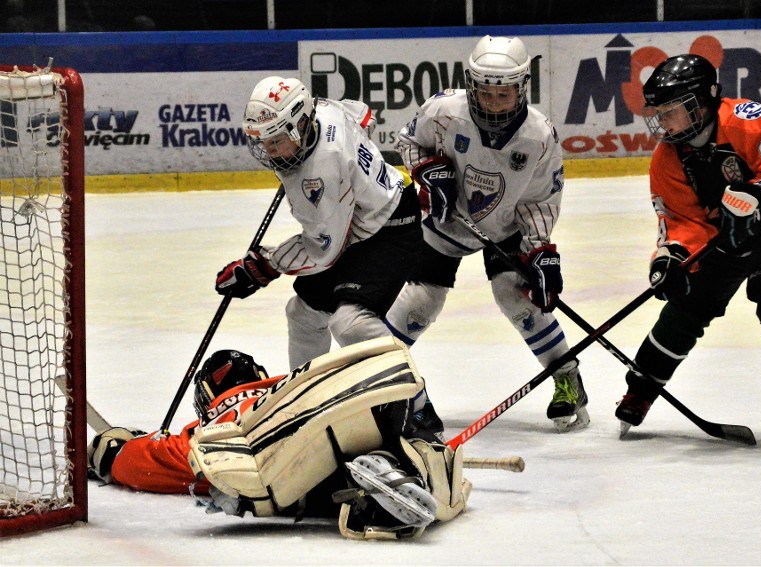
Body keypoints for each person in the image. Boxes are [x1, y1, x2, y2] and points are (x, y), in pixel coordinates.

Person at [616, 53, 761, 458]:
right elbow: (681, 222)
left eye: (673, 110)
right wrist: (672, 259)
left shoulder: (745, 119)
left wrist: (758, 195)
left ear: (703, 101)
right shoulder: (668, 159)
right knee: (687, 303)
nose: (663, 121)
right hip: (727, 231)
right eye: (660, 111)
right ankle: (641, 389)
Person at [384, 35, 588, 433]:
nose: (494, 103)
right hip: (446, 222)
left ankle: (566, 376)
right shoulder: (444, 111)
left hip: (506, 226)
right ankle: (378, 380)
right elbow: (408, 142)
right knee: (420, 301)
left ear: (522, 88)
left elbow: (541, 200)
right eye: (486, 93)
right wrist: (426, 168)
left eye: (504, 94)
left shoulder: (539, 136)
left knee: (516, 295)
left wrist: (539, 252)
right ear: (471, 84)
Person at [87, 338, 471, 540]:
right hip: (343, 415)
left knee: (275, 485)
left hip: (282, 471)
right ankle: (403, 465)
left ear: (206, 397)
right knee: (413, 453)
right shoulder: (280, 389)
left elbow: (139, 462)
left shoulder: (209, 425)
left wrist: (111, 450)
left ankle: (365, 493)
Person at [214, 77, 422, 390]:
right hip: (358, 224)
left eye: (277, 140)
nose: (270, 152)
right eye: (265, 142)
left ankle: (415, 404)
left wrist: (263, 266)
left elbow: (324, 250)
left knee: (351, 324)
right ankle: (304, 398)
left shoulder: (320, 172)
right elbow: (360, 112)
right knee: (303, 315)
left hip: (390, 227)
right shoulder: (321, 111)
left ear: (300, 124)